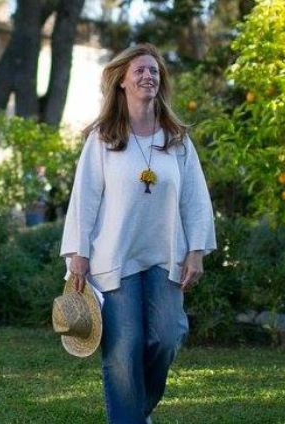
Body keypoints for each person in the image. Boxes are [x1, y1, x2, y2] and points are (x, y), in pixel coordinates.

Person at [59, 43, 216, 423]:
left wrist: (196, 250)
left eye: (154, 71)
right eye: (140, 71)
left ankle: (135, 410)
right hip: (114, 258)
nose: (148, 76)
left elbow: (195, 198)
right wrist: (78, 253)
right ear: (122, 82)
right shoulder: (104, 137)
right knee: (123, 350)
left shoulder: (176, 139)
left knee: (166, 337)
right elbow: (84, 199)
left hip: (165, 256)